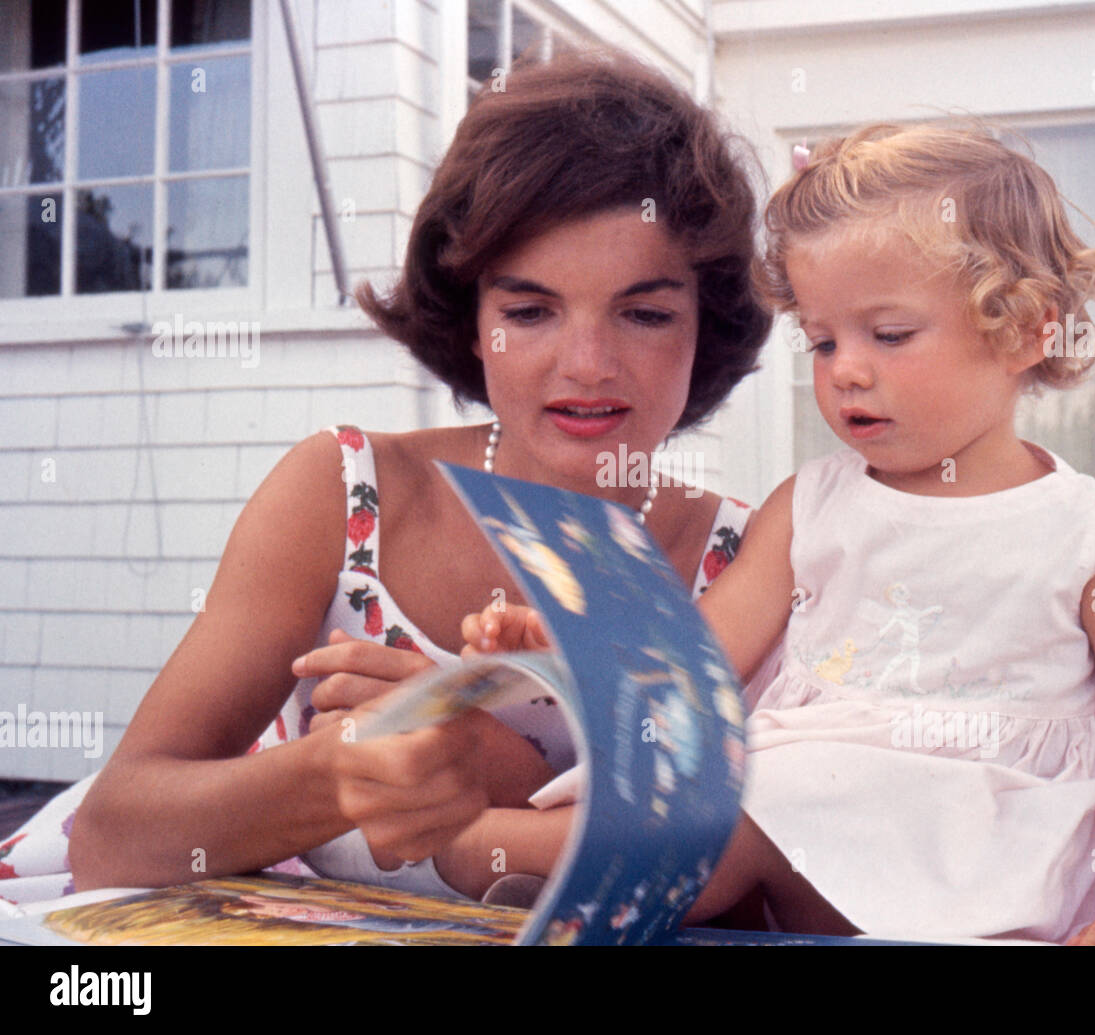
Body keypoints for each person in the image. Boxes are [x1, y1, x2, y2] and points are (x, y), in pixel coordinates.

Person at [0, 46, 772, 903]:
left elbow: (764, 878)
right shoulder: (342, 491)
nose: (587, 363)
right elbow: (115, 835)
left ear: (711, 324)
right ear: (472, 321)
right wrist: (345, 773)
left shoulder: (758, 564)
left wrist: (499, 769)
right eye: (529, 310)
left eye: (645, 312)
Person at [462, 123, 1095, 944]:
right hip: (804, 811)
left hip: (980, 846)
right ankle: (536, 860)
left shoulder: (1093, 538)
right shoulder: (811, 504)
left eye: (889, 335)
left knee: (741, 813)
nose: (845, 371)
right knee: (702, 792)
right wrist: (574, 638)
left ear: (1025, 330)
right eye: (823, 341)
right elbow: (700, 656)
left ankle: (491, 852)